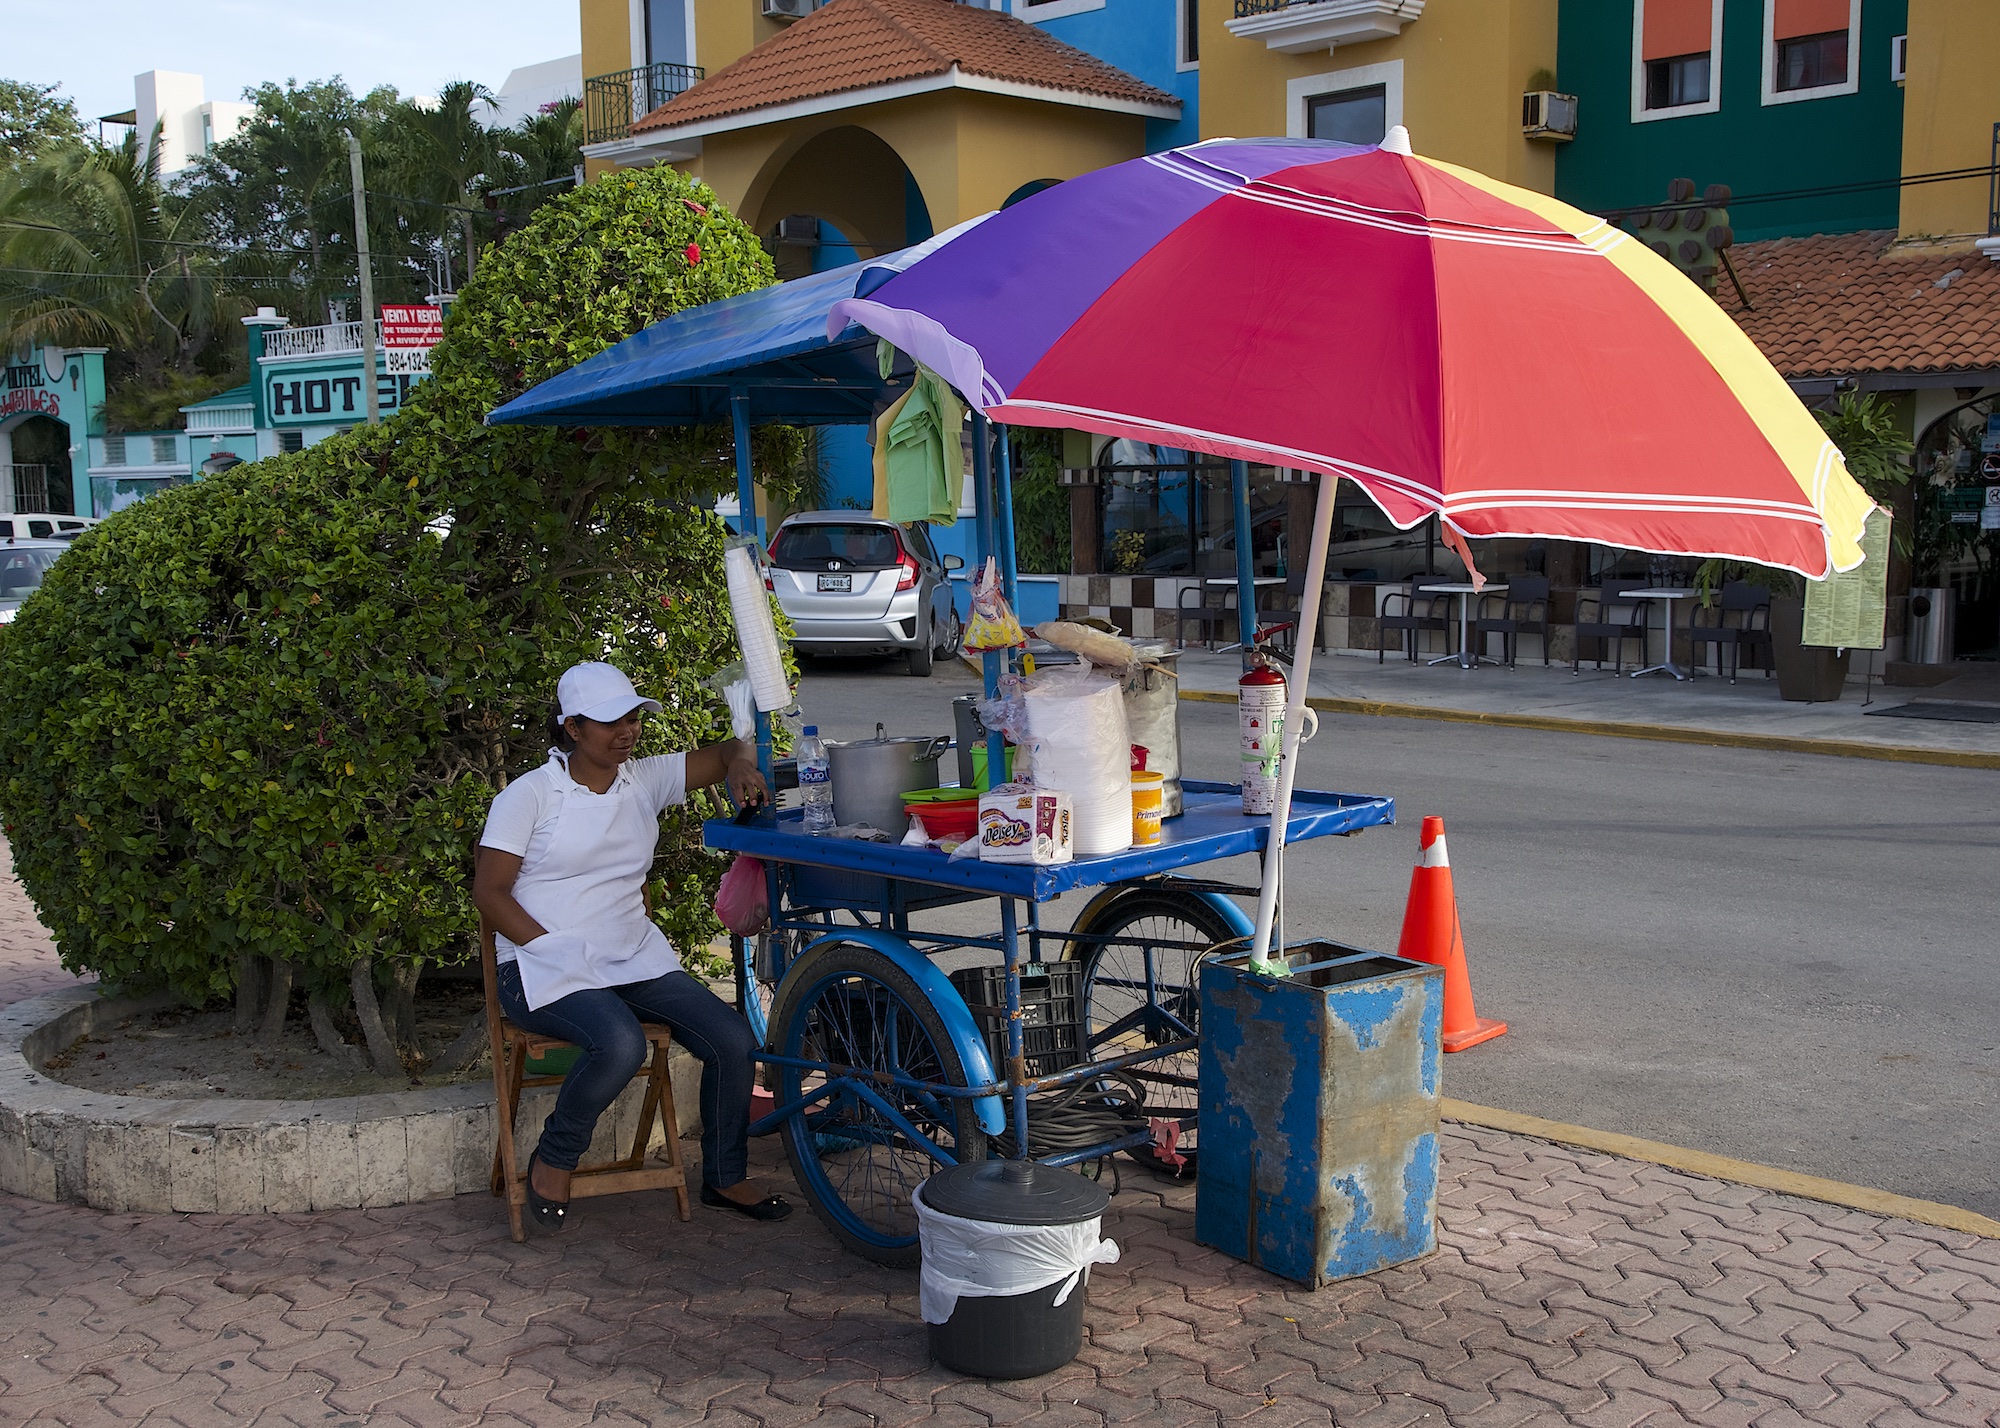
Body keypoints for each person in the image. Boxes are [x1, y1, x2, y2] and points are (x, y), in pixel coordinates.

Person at [472, 660, 790, 1228]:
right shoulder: (530, 797)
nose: (627, 731)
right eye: (609, 722)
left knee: (732, 1039)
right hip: (541, 963)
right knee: (619, 1043)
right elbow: (490, 894)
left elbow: (723, 753)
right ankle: (555, 1156)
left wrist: (741, 763)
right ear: (572, 728)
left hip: (629, 956)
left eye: (633, 718)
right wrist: (553, 949)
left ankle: (724, 1175)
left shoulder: (640, 779)